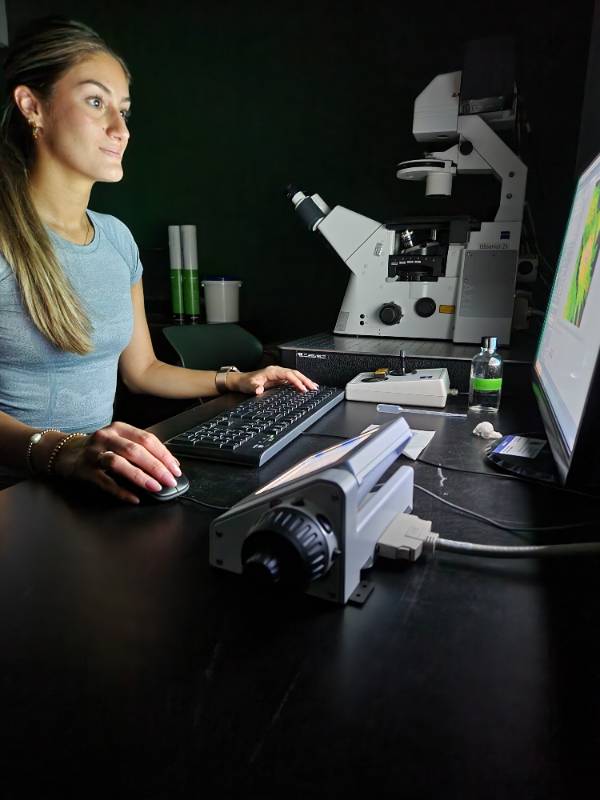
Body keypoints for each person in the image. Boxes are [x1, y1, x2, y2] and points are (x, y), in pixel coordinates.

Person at [0, 16, 317, 503]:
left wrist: (235, 380)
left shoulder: (117, 239)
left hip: (94, 479)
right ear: (32, 107)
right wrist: (61, 450)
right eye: (95, 101)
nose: (119, 128)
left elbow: (142, 369)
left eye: (124, 110)